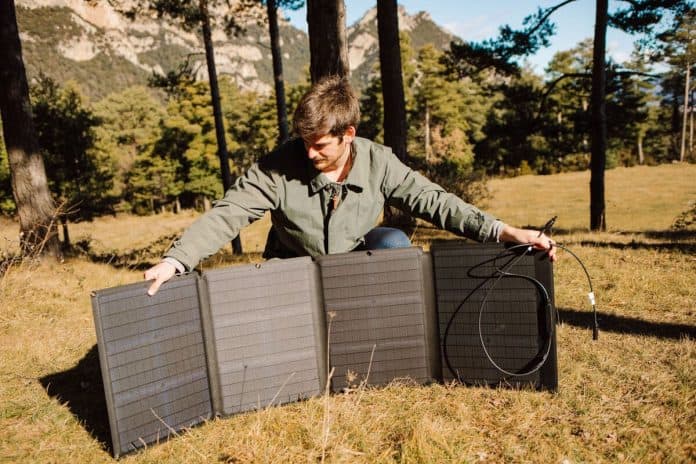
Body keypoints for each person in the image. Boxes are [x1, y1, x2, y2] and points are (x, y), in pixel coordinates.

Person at [145, 75, 556, 295]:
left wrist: (506, 232)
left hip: (353, 259)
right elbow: (228, 214)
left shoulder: (380, 161)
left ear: (348, 134)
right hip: (293, 263)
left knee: (394, 241)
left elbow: (438, 202)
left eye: (319, 145)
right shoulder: (277, 166)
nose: (309, 154)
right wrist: (176, 260)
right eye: (304, 143)